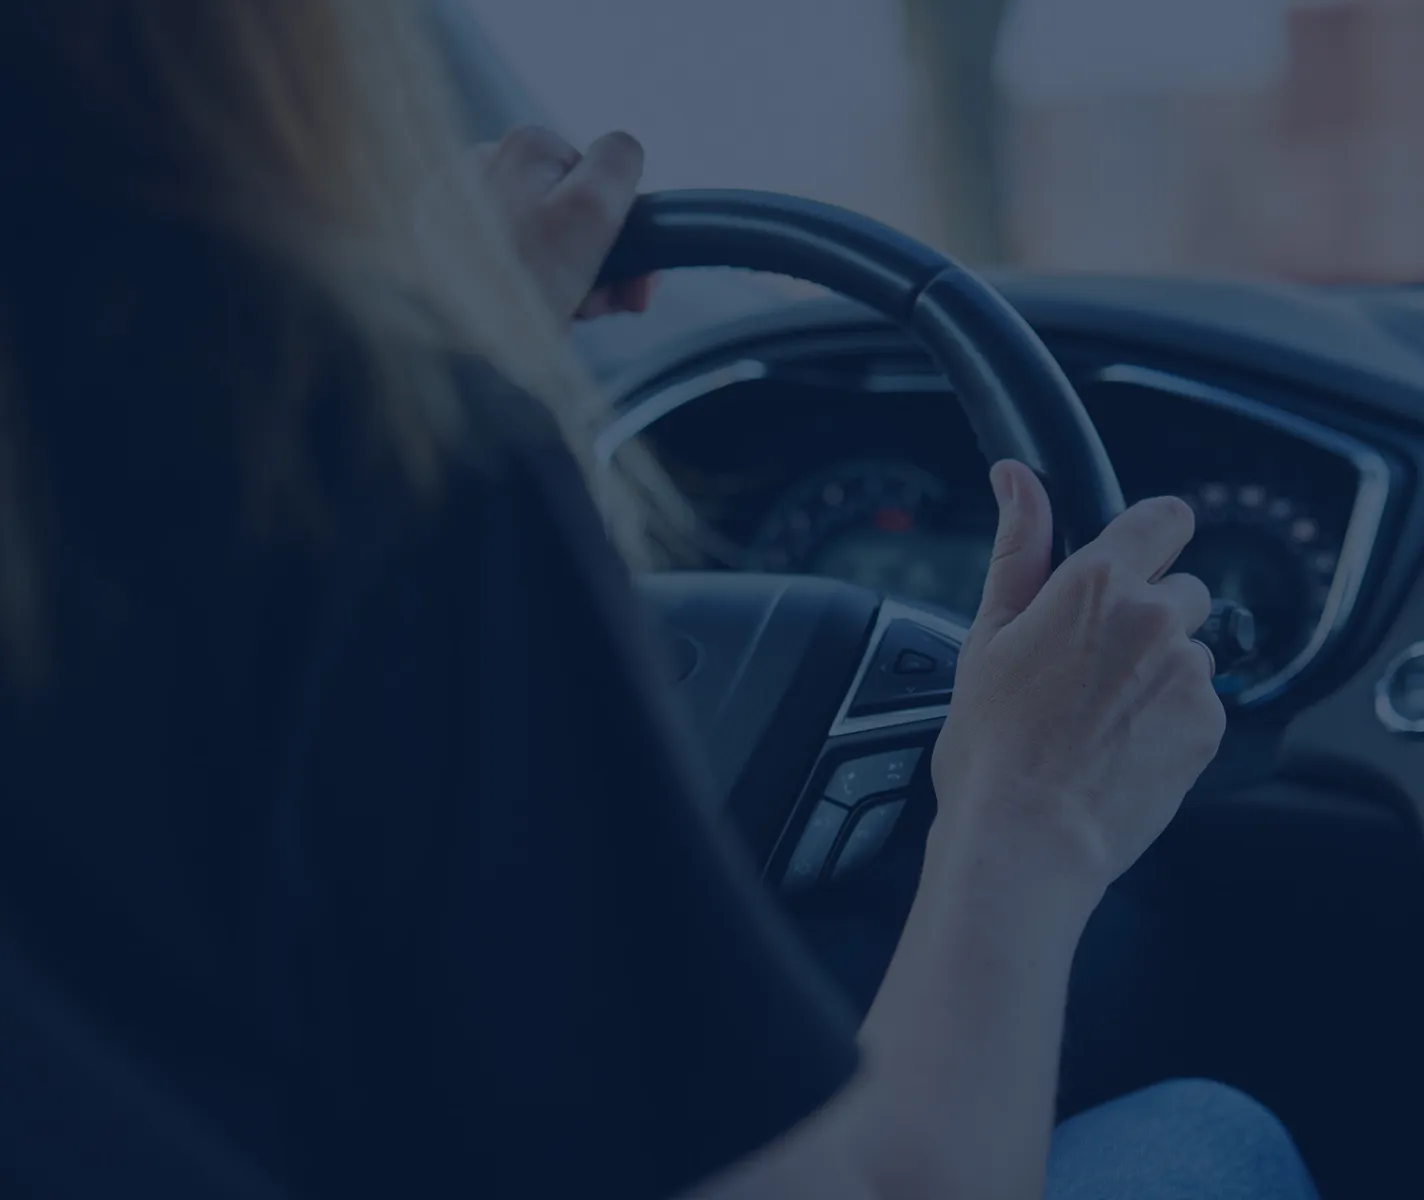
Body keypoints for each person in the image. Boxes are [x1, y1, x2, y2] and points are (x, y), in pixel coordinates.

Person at [0, 4, 1320, 1198]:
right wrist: (1033, 808)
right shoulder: (371, 467)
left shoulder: (128, 461)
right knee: (1213, 1139)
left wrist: (435, 332)